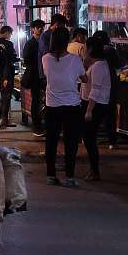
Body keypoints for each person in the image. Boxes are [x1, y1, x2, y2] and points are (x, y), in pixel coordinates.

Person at [42, 26, 85, 187]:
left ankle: (50, 175)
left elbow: (48, 75)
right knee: (71, 142)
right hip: (71, 106)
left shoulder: (45, 58)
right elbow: (84, 78)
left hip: (52, 105)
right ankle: (69, 177)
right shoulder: (75, 59)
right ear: (67, 41)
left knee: (51, 141)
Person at [81, 36, 112, 182]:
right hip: (93, 103)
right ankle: (93, 170)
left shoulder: (99, 66)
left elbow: (95, 90)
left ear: (91, 49)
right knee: (88, 138)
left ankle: (95, 171)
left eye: (86, 47)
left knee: (90, 138)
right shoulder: (95, 64)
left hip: (96, 105)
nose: (84, 49)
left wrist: (89, 110)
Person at [20, 19, 45, 132]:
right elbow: (26, 59)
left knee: (45, 100)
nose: (40, 29)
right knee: (36, 100)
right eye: (38, 27)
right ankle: (37, 125)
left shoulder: (45, 42)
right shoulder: (30, 43)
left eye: (42, 27)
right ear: (33, 29)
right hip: (35, 76)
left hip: (45, 75)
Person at [0, 26, 17, 128]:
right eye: (10, 34)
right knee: (6, 97)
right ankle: (4, 120)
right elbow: (11, 58)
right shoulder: (8, 44)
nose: (10, 36)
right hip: (6, 74)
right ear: (7, 33)